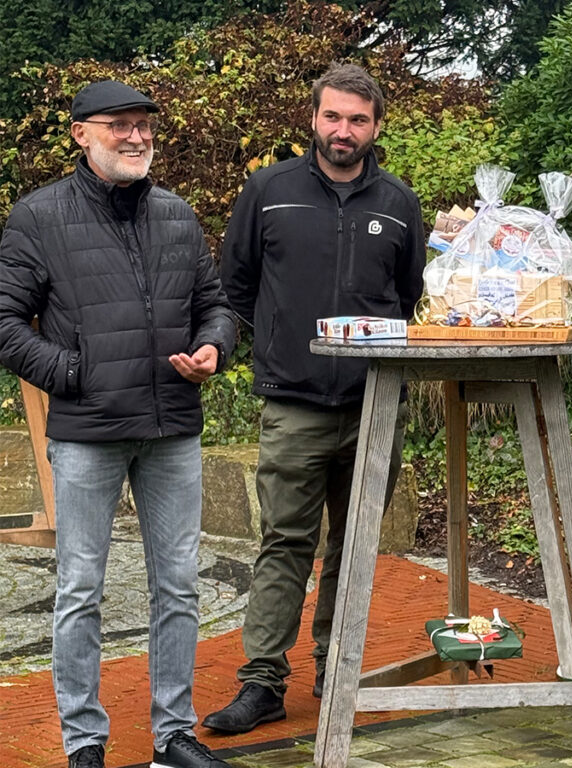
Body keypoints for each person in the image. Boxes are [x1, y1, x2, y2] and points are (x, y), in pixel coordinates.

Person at [0, 81, 236, 768]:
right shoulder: (39, 216)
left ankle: (173, 737)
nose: (137, 137)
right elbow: (6, 323)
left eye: (144, 125)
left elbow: (216, 304)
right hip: (87, 433)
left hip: (172, 428)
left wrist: (214, 347)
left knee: (179, 586)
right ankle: (84, 743)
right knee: (80, 590)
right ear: (81, 133)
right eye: (120, 125)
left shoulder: (177, 214)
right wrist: (76, 374)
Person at [202, 62, 425, 734]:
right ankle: (263, 682)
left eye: (357, 119)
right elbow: (234, 286)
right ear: (313, 119)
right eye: (333, 116)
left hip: (373, 404)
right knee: (284, 543)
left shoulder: (399, 202)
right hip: (293, 403)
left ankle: (338, 668)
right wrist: (272, 345)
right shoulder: (269, 191)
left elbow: (410, 297)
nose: (343, 130)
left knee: (354, 548)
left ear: (376, 126)